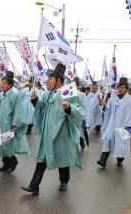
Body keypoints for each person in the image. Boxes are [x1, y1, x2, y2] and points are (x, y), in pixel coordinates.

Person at [21, 64, 85, 195]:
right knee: (42, 159)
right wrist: (34, 100)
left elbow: (80, 111)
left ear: (59, 81)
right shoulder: (47, 94)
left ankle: (64, 180)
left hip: (61, 134)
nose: (47, 81)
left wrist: (68, 108)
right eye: (48, 79)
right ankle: (34, 186)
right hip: (47, 133)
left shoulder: (70, 93)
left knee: (62, 160)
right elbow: (40, 106)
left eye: (50, 79)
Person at [98, 77, 131, 167]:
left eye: (122, 87)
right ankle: (102, 160)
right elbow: (108, 111)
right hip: (112, 124)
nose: (120, 89)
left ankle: (120, 160)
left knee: (120, 145)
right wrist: (104, 107)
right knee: (107, 140)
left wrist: (129, 125)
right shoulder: (112, 99)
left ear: (126, 89)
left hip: (123, 126)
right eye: (119, 87)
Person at [0, 71, 30, 173]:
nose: (2, 84)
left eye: (5, 83)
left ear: (10, 85)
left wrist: (17, 124)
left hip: (9, 125)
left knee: (8, 145)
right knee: (2, 144)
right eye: (2, 82)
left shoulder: (14, 96)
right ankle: (5, 164)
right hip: (1, 124)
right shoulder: (1, 95)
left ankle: (13, 162)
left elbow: (18, 110)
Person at [74, 77, 89, 149]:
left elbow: (84, 106)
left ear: (77, 86)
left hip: (78, 116)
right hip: (70, 116)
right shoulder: (68, 94)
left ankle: (81, 141)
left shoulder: (82, 95)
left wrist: (84, 118)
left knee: (79, 132)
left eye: (75, 85)